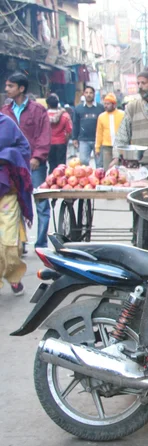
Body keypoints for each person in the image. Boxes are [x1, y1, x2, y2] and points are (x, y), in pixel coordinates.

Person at [1, 73, 50, 250]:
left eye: (10, 86)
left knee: (41, 202)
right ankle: (19, 242)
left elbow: (44, 135)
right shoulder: (4, 112)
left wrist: (37, 156)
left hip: (35, 163)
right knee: (17, 201)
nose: (6, 89)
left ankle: (41, 243)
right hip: (13, 167)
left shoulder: (38, 110)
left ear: (21, 89)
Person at [0, 114, 33, 295]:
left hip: (7, 191)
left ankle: (13, 275)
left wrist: (7, 157)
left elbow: (23, 149)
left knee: (10, 241)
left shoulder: (6, 124)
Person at [71, 85, 100, 167]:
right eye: (86, 92)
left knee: (99, 164)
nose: (88, 94)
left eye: (91, 93)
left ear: (94, 94)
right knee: (83, 163)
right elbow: (75, 123)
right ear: (83, 94)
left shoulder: (100, 108)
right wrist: (74, 138)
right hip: (83, 140)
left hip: (97, 140)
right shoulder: (78, 108)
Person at [95, 93, 124, 170]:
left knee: (120, 169)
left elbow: (127, 130)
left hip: (120, 146)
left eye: (108, 104)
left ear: (114, 104)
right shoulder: (101, 117)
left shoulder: (122, 114)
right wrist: (97, 148)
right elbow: (99, 133)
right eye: (105, 104)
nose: (105, 106)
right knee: (107, 168)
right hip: (107, 147)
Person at [45, 94, 72, 172]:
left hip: (49, 143)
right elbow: (69, 131)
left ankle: (51, 181)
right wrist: (65, 141)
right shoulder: (65, 115)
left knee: (51, 164)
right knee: (61, 166)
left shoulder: (44, 116)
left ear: (48, 105)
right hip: (61, 143)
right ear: (58, 103)